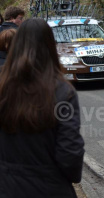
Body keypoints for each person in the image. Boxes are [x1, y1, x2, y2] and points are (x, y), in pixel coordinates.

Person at [0, 18, 84, 197]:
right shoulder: (62, 91)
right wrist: (72, 177)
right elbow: (70, 152)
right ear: (50, 46)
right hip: (50, 187)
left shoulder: (2, 86)